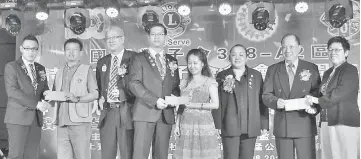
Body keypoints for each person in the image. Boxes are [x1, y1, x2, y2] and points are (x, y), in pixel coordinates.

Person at [262, 34, 321, 159]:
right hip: (283, 125)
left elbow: (318, 92)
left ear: (299, 48)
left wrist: (311, 102)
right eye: (284, 47)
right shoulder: (273, 70)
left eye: (291, 46)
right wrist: (275, 102)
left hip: (304, 124)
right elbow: (266, 95)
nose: (287, 50)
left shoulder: (311, 68)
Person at [128, 22, 180, 159]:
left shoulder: (172, 60)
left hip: (166, 114)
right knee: (140, 154)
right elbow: (134, 84)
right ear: (148, 37)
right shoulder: (138, 58)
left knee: (162, 155)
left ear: (166, 37)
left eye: (160, 34)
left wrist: (175, 98)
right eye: (153, 34)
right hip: (145, 112)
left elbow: (175, 85)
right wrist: (154, 100)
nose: (157, 37)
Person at [306, 36, 360, 159]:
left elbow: (340, 93)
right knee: (327, 155)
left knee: (345, 155)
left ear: (346, 53)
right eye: (330, 50)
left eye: (337, 50)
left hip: (344, 121)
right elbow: (322, 94)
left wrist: (317, 100)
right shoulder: (327, 73)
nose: (332, 53)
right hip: (326, 121)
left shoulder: (350, 70)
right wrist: (315, 108)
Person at [213, 44, 269, 159]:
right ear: (229, 58)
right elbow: (217, 101)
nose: (237, 58)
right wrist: (217, 124)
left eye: (241, 55)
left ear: (247, 57)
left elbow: (261, 101)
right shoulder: (222, 76)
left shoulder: (256, 75)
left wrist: (264, 123)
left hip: (251, 125)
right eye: (234, 55)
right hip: (229, 125)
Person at [46, 38, 98, 159]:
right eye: (68, 49)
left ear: (81, 52)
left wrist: (78, 98)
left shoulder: (86, 70)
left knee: (82, 156)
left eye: (75, 49)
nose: (71, 52)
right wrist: (47, 97)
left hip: (80, 122)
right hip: (61, 123)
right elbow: (54, 95)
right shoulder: (59, 72)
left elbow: (95, 94)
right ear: (64, 52)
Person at [4, 34, 51, 159]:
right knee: (16, 155)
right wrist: (36, 104)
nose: (31, 52)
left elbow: (44, 89)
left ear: (38, 50)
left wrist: (48, 97)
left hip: (36, 119)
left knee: (32, 155)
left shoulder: (40, 68)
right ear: (21, 49)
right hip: (18, 118)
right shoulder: (12, 66)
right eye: (27, 48)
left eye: (34, 49)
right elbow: (13, 91)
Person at [96, 26, 136, 159]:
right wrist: (100, 98)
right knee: (107, 153)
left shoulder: (134, 58)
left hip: (127, 111)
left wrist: (122, 94)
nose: (111, 40)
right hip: (108, 113)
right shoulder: (102, 62)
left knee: (127, 152)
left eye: (115, 37)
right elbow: (99, 86)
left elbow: (139, 86)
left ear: (123, 39)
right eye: (108, 38)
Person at [173, 49, 220, 159]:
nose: (192, 66)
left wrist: (195, 105)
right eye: (189, 63)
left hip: (204, 125)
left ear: (202, 64)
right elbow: (181, 106)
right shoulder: (184, 82)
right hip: (186, 125)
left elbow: (215, 104)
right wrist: (177, 124)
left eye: (195, 63)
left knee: (204, 154)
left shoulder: (209, 81)